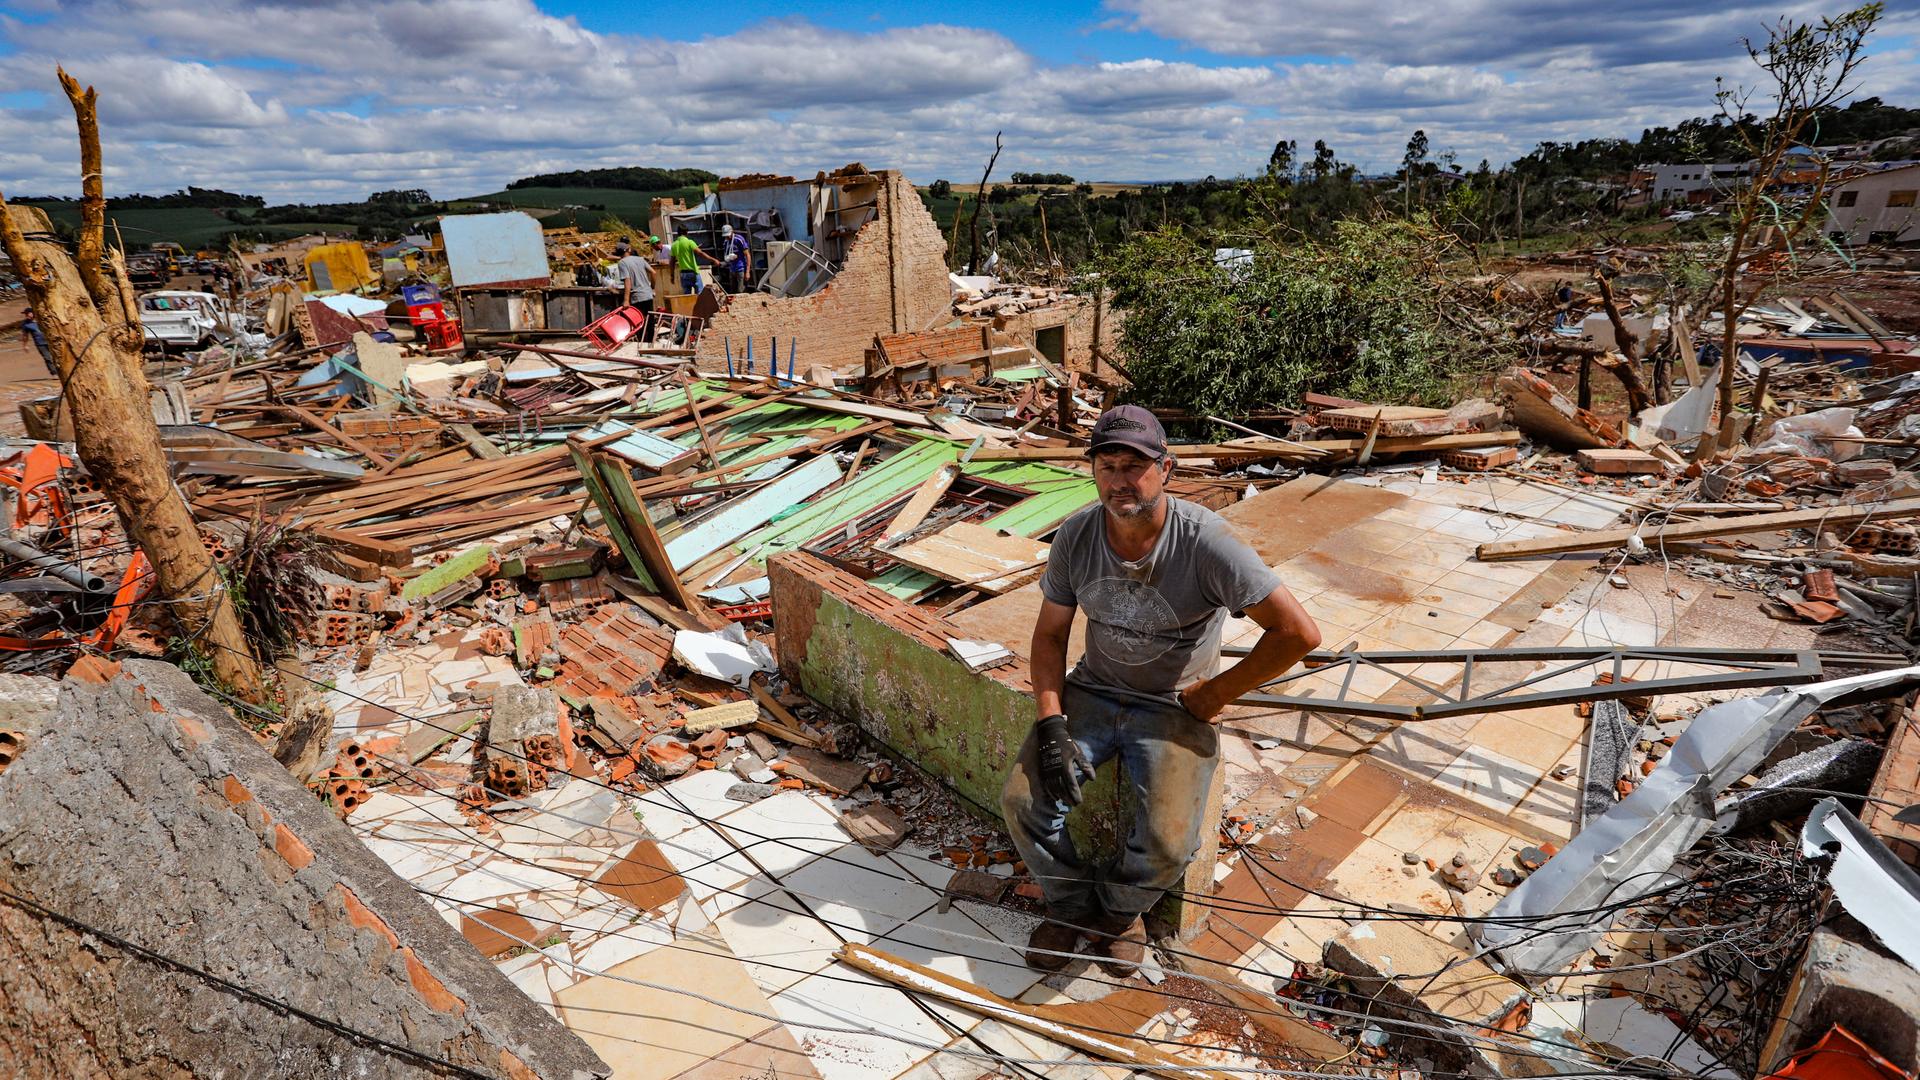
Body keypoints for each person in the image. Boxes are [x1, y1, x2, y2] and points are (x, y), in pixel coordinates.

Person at [1000, 405, 1320, 975]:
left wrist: (1214, 695)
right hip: (1093, 691)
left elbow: (1298, 633)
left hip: (1173, 705)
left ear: (1166, 469)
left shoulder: (1206, 543)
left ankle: (1120, 914)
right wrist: (1051, 723)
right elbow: (1049, 636)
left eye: (1135, 466)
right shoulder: (1076, 535)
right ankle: (1070, 906)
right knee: (1023, 803)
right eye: (1107, 467)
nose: (1120, 481)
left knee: (1170, 843)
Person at [668, 229, 720, 296]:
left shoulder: (674, 245)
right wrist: (713, 260)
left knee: (687, 296)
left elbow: (672, 262)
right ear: (686, 232)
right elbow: (700, 253)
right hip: (693, 272)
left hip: (683, 274)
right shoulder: (689, 242)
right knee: (700, 295)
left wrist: (672, 276)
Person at [612, 240, 655, 319]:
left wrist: (626, 300)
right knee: (650, 321)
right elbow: (653, 272)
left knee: (639, 322)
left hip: (637, 297)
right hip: (648, 295)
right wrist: (652, 287)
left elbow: (627, 281)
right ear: (629, 250)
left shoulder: (622, 263)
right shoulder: (640, 259)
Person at [717, 223, 752, 294]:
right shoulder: (726, 242)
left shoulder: (739, 239)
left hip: (741, 269)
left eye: (728, 235)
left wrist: (747, 272)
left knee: (741, 291)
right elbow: (726, 255)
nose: (727, 237)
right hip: (732, 269)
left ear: (732, 231)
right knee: (732, 291)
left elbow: (747, 255)